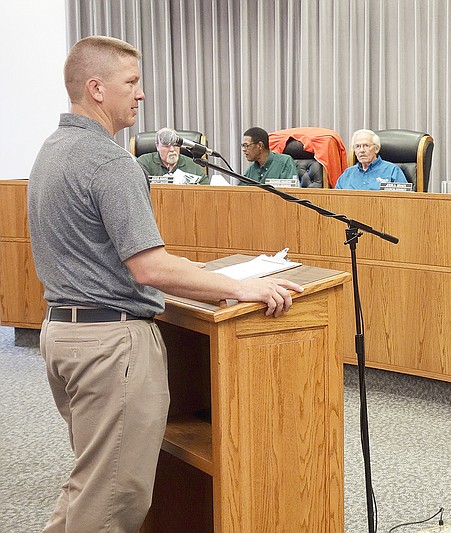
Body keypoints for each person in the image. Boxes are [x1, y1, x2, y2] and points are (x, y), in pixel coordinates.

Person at [27, 36, 303, 533]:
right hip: (111, 346)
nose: (141, 95)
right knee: (113, 501)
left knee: (89, 484)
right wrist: (242, 288)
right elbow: (150, 267)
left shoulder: (51, 150)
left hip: (63, 335)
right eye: (131, 83)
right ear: (96, 89)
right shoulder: (110, 162)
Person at [334, 129, 407, 189]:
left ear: (376, 149)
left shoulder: (392, 170)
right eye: (358, 146)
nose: (361, 150)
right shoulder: (348, 173)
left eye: (366, 146)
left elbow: (405, 199)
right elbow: (335, 200)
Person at [136, 127, 209, 183]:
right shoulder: (144, 162)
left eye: (175, 145)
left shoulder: (194, 165)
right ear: (157, 146)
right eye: (167, 146)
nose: (172, 149)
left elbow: (206, 190)